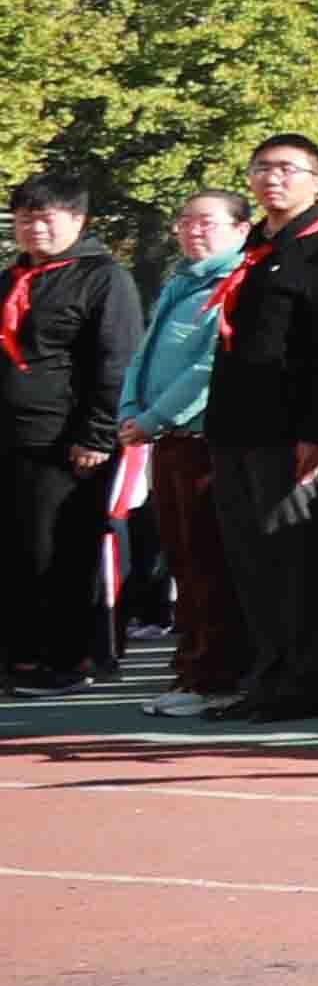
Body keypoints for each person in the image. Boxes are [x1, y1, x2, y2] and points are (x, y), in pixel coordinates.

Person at [191, 139, 318, 724]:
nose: (274, 179)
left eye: (288, 170)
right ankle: (268, 674)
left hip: (288, 429)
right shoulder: (257, 247)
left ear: (317, 182)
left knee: (290, 559)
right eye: (263, 168)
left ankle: (304, 680)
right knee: (249, 560)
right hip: (235, 427)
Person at [4, 183, 147, 688]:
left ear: (78, 221)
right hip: (11, 438)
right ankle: (18, 654)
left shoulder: (103, 279)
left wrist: (96, 434)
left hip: (64, 440)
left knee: (60, 551)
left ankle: (67, 658)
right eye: (23, 218)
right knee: (15, 551)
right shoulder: (13, 279)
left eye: (46, 218)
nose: (34, 228)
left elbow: (115, 361)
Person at [121, 190, 245, 700]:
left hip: (201, 439)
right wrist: (130, 409)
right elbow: (143, 355)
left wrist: (153, 416)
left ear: (240, 230)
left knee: (206, 559)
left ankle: (213, 674)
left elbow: (210, 367)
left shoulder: (234, 282)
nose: (193, 231)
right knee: (181, 558)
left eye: (207, 223)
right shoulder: (180, 283)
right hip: (164, 439)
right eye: (186, 222)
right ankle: (190, 668)